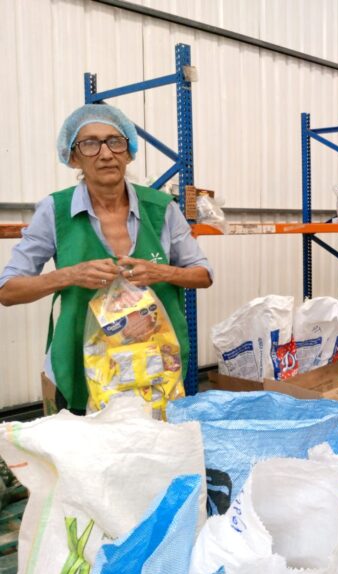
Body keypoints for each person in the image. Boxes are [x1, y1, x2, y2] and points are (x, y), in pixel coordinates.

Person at [0, 103, 213, 414]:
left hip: (153, 365)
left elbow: (203, 275)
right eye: (90, 144)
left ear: (128, 152)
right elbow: (8, 291)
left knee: (157, 453)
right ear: (73, 157)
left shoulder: (162, 208)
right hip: (82, 364)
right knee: (84, 456)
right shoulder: (55, 210)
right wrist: (69, 275)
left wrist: (160, 271)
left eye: (115, 142)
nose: (105, 153)